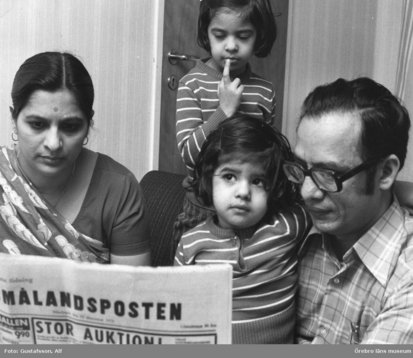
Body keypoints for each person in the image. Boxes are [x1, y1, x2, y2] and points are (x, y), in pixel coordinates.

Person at [282, 77, 413, 343]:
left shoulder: (405, 277)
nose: (307, 192)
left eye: (329, 174)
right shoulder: (291, 231)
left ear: (385, 172)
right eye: (301, 168)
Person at [0, 51, 151, 265]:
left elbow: (133, 293)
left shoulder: (118, 189)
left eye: (70, 127)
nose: (53, 143)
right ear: (14, 120)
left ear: (88, 125)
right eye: (37, 124)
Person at [174, 115, 311, 344]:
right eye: (229, 176)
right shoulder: (191, 244)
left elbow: (312, 192)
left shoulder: (287, 226)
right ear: (209, 180)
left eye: (257, 181)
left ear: (273, 187)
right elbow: (176, 311)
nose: (243, 192)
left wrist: (284, 170)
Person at [174, 0, 278, 243]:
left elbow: (267, 159)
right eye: (220, 35)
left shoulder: (265, 91)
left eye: (243, 36)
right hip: (202, 207)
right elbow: (189, 155)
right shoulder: (192, 84)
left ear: (259, 36)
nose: (231, 46)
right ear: (206, 33)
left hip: (250, 207)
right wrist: (224, 110)